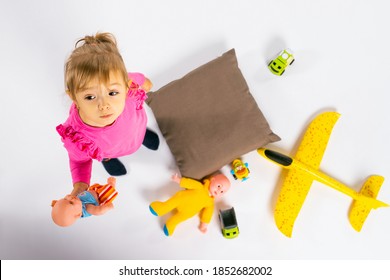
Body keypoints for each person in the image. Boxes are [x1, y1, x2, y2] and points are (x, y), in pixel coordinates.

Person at [56, 32, 159, 196]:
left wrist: (145, 83)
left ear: (125, 86)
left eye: (112, 93)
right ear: (74, 97)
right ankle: (107, 159)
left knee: (135, 130)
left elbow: (139, 79)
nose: (104, 105)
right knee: (102, 151)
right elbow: (79, 161)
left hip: (135, 128)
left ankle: (142, 135)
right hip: (108, 149)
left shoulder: (126, 83)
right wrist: (80, 184)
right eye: (90, 97)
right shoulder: (78, 137)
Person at [149, 172, 231, 236]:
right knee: (170, 204)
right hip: (181, 199)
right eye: (219, 186)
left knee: (178, 219)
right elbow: (190, 183)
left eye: (222, 191)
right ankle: (160, 208)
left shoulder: (210, 203)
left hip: (188, 212)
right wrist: (178, 180)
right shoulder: (200, 187)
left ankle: (170, 225)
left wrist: (204, 225)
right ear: (212, 180)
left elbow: (208, 214)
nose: (218, 190)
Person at [51, 177, 118, 227]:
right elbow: (98, 211)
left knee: (95, 186)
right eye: (71, 203)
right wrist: (107, 207)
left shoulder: (76, 205)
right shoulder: (87, 208)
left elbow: (65, 204)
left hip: (92, 191)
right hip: (100, 196)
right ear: (78, 215)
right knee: (108, 190)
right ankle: (111, 184)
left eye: (65, 199)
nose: (70, 197)